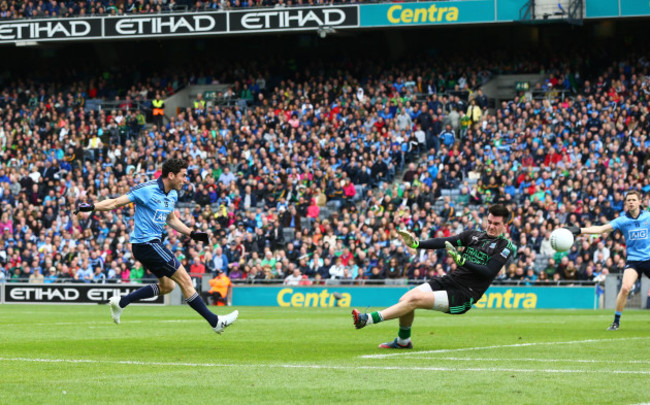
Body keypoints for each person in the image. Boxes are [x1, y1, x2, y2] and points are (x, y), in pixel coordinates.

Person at [74, 158, 238, 334]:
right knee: (185, 279)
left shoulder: (173, 194)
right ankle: (215, 322)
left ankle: (121, 302)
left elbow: (171, 219)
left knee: (168, 286)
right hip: (146, 244)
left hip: (150, 245)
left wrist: (192, 233)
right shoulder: (146, 190)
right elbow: (115, 202)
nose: (185, 180)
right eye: (183, 176)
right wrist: (92, 207)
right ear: (171, 175)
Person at [351, 204, 515, 349]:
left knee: (414, 300)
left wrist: (461, 260)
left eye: (496, 224)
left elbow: (489, 271)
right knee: (405, 300)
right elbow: (444, 241)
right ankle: (403, 341)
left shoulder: (505, 246)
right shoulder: (474, 235)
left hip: (464, 294)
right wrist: (417, 244)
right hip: (449, 280)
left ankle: (367, 319)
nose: (491, 226)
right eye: (490, 222)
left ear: (505, 225)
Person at [563, 190, 650, 331]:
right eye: (628, 200)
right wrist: (579, 230)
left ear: (640, 202)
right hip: (634, 260)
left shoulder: (648, 217)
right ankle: (616, 322)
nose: (631, 202)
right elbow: (602, 229)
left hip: (648, 258)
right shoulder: (622, 220)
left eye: (634, 200)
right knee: (625, 288)